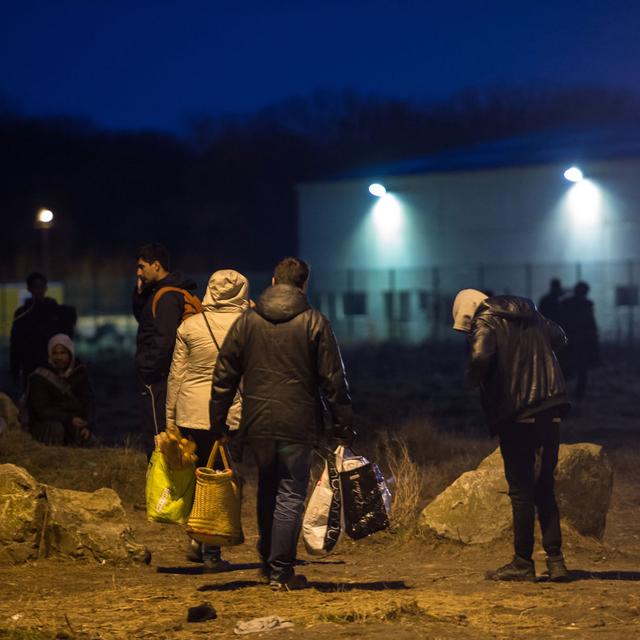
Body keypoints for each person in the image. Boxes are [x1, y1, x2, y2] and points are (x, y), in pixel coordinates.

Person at [211, 257, 354, 591]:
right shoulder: (315, 322)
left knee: (268, 488)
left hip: (257, 421)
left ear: (274, 282)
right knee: (290, 492)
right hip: (298, 422)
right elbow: (334, 380)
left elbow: (224, 374)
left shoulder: (247, 321)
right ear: (304, 285)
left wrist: (218, 421)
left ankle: (267, 561)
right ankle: (281, 571)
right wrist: (343, 423)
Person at [452, 289, 570, 582]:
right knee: (545, 486)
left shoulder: (485, 320)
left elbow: (480, 356)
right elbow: (560, 339)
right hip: (552, 407)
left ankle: (522, 563)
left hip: (517, 413)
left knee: (521, 491)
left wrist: (472, 380)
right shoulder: (531, 313)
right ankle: (556, 562)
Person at [166, 269, 249, 573]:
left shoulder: (189, 326)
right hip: (230, 413)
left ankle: (195, 537)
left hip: (191, 412)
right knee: (222, 482)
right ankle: (211, 551)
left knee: (196, 475)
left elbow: (176, 376)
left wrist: (170, 421)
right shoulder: (248, 325)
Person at [132, 243, 198, 457]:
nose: (138, 272)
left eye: (142, 267)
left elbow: (164, 340)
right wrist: (140, 293)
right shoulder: (160, 293)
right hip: (162, 377)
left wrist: (148, 371)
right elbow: (146, 322)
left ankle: (163, 485)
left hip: (159, 380)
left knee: (158, 436)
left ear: (157, 265)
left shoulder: (167, 297)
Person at [24, 334, 95, 446]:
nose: (59, 357)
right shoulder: (40, 378)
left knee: (87, 438)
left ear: (70, 354)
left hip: (72, 424)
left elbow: (88, 402)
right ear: (50, 355)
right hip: (46, 425)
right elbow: (41, 410)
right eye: (55, 353)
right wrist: (69, 418)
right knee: (56, 428)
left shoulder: (79, 375)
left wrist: (87, 425)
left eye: (63, 353)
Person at [10, 272, 61, 388]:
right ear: (29, 289)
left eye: (41, 286)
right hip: (30, 364)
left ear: (46, 288)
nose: (39, 290)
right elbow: (15, 343)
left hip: (50, 363)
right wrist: (15, 369)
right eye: (35, 287)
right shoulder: (22, 314)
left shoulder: (53, 310)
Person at [559, 281, 599, 401]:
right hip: (582, 339)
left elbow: (562, 320)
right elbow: (590, 323)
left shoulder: (567, 303)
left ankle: (561, 391)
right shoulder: (586, 304)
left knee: (567, 365)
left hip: (570, 338)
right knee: (581, 368)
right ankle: (578, 393)